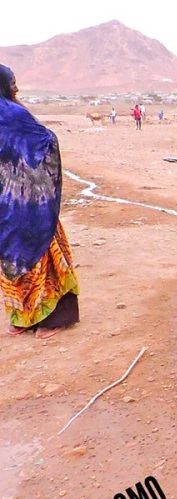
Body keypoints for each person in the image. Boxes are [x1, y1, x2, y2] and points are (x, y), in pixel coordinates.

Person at [0, 64, 80, 339]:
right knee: (14, 254)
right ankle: (24, 316)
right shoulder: (13, 113)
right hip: (13, 198)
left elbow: (41, 141)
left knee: (39, 250)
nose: (16, 88)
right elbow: (46, 140)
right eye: (13, 82)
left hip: (28, 200)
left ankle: (54, 317)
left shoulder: (14, 114)